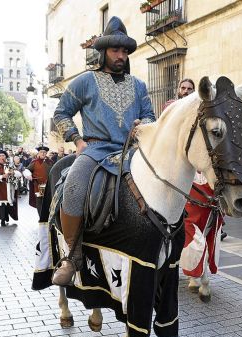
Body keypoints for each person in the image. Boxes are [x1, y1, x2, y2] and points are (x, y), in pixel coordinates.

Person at [51, 16, 155, 286]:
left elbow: (150, 117)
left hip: (131, 151)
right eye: (114, 50)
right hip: (95, 150)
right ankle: (72, 256)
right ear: (103, 52)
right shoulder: (85, 81)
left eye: (124, 51)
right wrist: (77, 140)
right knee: (74, 183)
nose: (120, 55)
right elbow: (61, 113)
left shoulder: (139, 85)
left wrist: (142, 125)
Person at [0, 150, 22, 226]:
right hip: (0, 188)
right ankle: (2, 220)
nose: (2, 157)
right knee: (2, 203)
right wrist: (2, 176)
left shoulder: (10, 166)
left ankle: (6, 217)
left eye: (3, 156)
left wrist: (13, 173)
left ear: (6, 157)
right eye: (0, 156)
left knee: (8, 203)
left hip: (9, 188)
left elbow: (19, 174)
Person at [23, 146, 54, 216]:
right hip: (38, 186)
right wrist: (29, 175)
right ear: (39, 153)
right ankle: (41, 217)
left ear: (46, 153)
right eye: (41, 152)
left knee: (48, 201)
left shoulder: (50, 162)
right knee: (39, 202)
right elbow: (27, 170)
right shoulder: (34, 162)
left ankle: (48, 216)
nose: (43, 154)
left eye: (44, 152)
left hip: (48, 186)